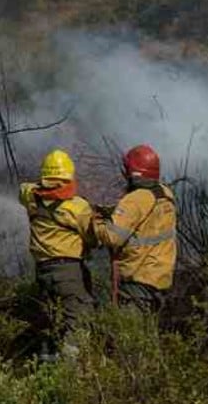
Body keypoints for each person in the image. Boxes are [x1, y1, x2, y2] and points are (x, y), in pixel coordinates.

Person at [19, 149, 97, 345]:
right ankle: (69, 370)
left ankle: (47, 363)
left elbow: (24, 188)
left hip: (43, 270)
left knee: (52, 319)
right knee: (79, 317)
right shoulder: (77, 207)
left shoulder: (30, 196)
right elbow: (93, 238)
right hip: (69, 271)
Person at [91, 145, 177, 314]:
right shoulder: (165, 195)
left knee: (129, 333)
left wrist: (97, 220)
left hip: (138, 279)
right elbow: (146, 224)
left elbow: (112, 237)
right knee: (147, 334)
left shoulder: (136, 199)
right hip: (159, 279)